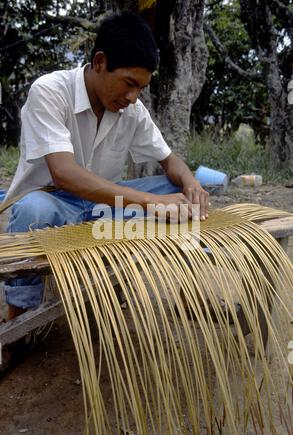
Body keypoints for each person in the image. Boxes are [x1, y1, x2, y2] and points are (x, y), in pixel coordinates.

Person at [3, 11, 209, 324]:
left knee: (179, 193)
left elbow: (169, 159)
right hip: (53, 201)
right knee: (33, 210)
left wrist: (190, 182)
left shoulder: (132, 110)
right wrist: (150, 202)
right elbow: (63, 173)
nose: (132, 96)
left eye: (140, 88)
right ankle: (19, 318)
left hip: (105, 209)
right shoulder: (49, 92)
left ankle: (190, 298)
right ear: (100, 62)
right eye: (128, 83)